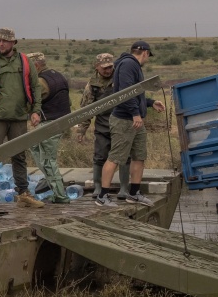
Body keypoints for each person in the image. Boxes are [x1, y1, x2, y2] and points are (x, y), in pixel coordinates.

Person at [0, 28, 45, 209]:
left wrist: (35, 111)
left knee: (19, 156)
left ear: (13, 43)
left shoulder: (25, 61)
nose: (0, 44)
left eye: (4, 41)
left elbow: (35, 87)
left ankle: (22, 193)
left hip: (19, 117)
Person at [98, 40, 165, 207]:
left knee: (139, 156)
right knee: (116, 157)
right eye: (148, 56)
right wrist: (135, 113)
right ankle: (102, 196)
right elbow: (125, 93)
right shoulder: (129, 64)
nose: (147, 59)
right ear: (145, 53)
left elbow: (136, 93)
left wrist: (149, 103)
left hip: (135, 120)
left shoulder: (132, 65)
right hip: (124, 120)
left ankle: (134, 193)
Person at [76, 53, 130, 200]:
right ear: (97, 67)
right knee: (99, 156)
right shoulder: (92, 84)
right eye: (104, 68)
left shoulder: (120, 78)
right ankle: (98, 186)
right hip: (102, 126)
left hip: (121, 123)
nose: (108, 70)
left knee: (124, 156)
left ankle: (124, 188)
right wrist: (82, 130)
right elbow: (86, 109)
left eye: (110, 67)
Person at [26, 52, 70, 204]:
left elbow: (32, 102)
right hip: (61, 120)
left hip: (48, 123)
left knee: (48, 161)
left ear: (35, 66)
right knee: (39, 152)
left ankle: (60, 195)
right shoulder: (58, 75)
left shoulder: (40, 82)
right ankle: (56, 189)